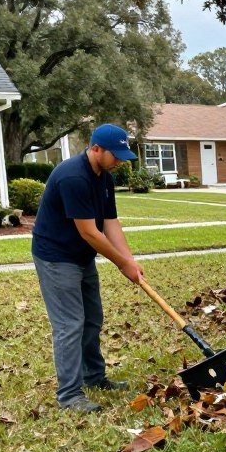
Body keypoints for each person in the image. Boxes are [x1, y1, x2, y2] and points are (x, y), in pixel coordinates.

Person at [32, 123, 144, 413]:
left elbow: (110, 223)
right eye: (115, 155)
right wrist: (121, 264)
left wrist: (129, 261)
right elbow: (91, 233)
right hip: (57, 257)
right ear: (96, 149)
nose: (119, 161)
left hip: (82, 257)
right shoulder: (72, 177)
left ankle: (93, 376)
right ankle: (69, 396)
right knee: (70, 325)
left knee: (92, 319)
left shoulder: (104, 177)